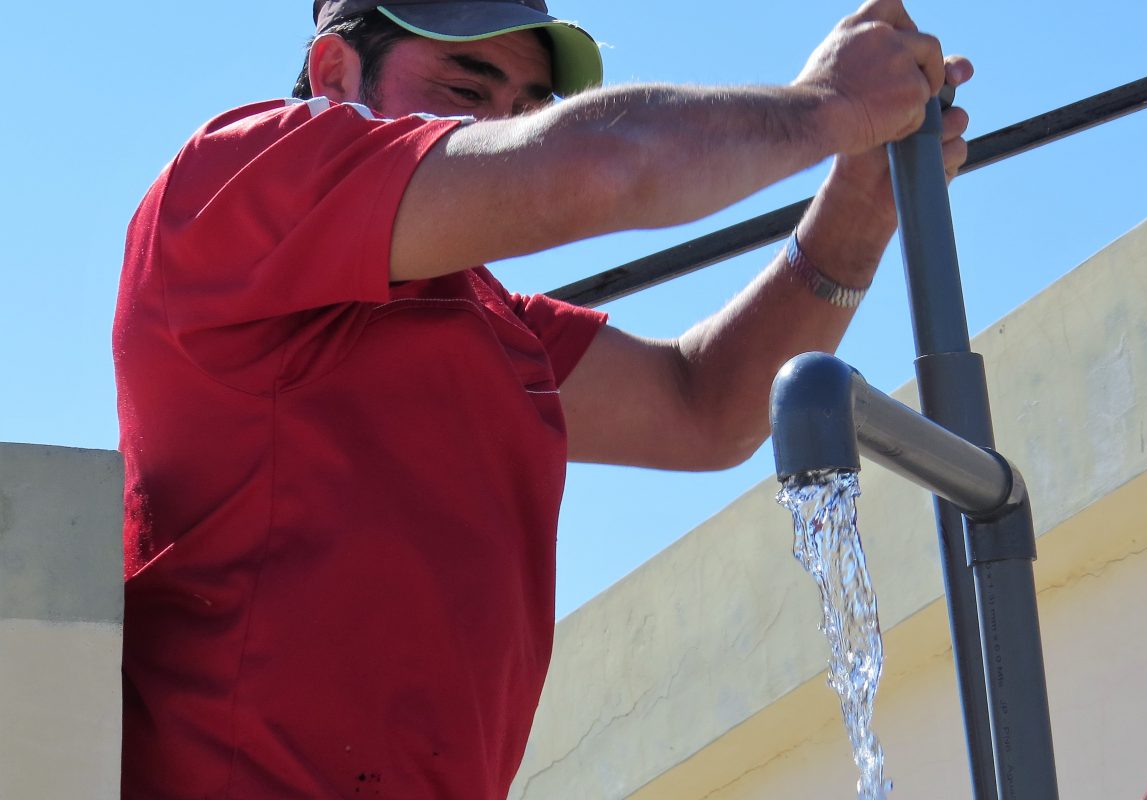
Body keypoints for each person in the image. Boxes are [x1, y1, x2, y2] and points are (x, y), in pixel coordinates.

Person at [113, 0, 972, 797]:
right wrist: (827, 104)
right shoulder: (233, 182)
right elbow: (606, 164)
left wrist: (858, 212)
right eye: (463, 88)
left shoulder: (487, 320)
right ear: (336, 74)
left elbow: (703, 404)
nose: (501, 129)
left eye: (528, 106)